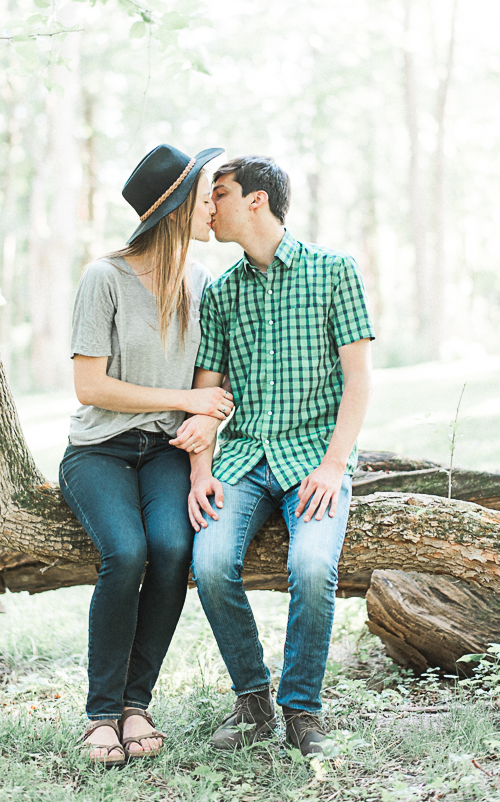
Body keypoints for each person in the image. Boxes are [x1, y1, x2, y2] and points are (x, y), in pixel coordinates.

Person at [179, 155, 374, 757]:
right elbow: (207, 397)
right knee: (209, 565)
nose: (210, 207)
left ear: (256, 201)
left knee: (312, 568)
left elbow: (360, 379)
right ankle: (253, 699)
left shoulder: (334, 272)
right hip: (240, 461)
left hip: (314, 459)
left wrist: (336, 464)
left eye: (221, 193)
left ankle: (302, 710)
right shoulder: (221, 292)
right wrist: (199, 472)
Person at [59, 143, 233, 765]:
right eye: (206, 195)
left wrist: (212, 415)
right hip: (99, 450)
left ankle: (137, 704)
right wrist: (186, 398)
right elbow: (89, 386)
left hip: (164, 452)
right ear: (176, 207)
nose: (214, 205)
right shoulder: (104, 277)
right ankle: (101, 713)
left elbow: (215, 388)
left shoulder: (201, 282)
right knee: (126, 551)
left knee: (171, 548)